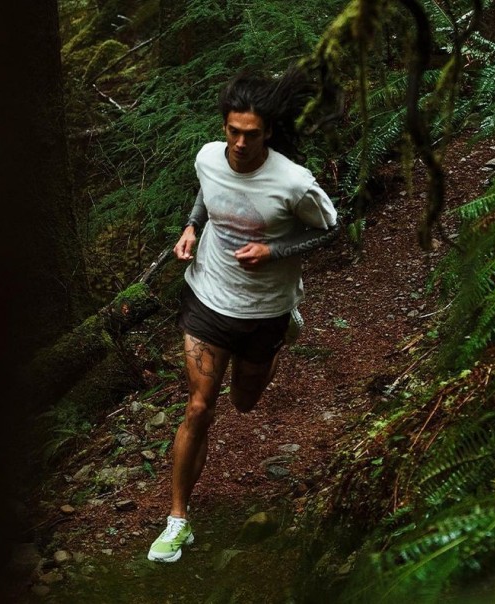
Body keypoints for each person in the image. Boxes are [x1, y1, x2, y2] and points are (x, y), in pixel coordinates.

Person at [148, 69, 340, 562]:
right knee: (198, 406)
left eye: (250, 135)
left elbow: (329, 230)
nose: (238, 143)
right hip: (209, 298)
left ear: (269, 132)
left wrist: (273, 251)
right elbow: (206, 194)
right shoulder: (209, 157)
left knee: (246, 402)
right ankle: (177, 521)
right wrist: (192, 227)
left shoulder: (294, 183)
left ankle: (286, 330)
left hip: (265, 310)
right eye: (232, 131)